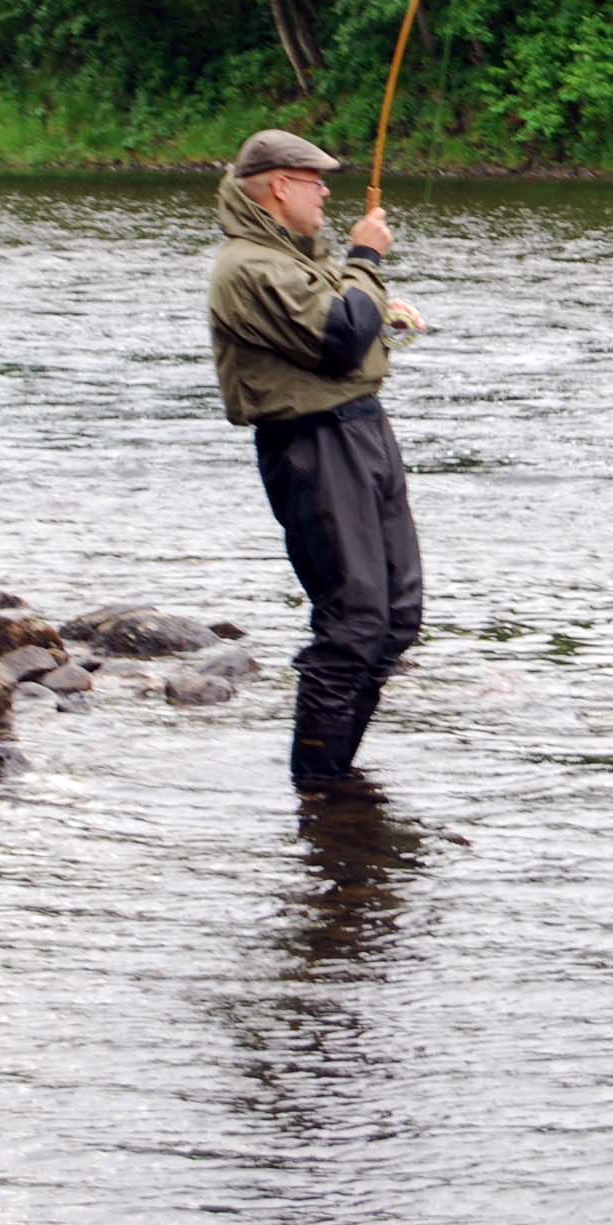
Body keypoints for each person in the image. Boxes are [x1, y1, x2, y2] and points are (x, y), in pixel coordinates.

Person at [207, 128, 423, 785]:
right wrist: (366, 258)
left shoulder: (294, 255)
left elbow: (351, 325)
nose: (326, 191)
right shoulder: (247, 265)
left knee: (397, 618)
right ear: (279, 185)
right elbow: (339, 336)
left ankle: (337, 776)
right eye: (315, 180)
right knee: (354, 620)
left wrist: (379, 310)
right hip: (313, 448)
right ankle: (320, 789)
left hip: (363, 432)